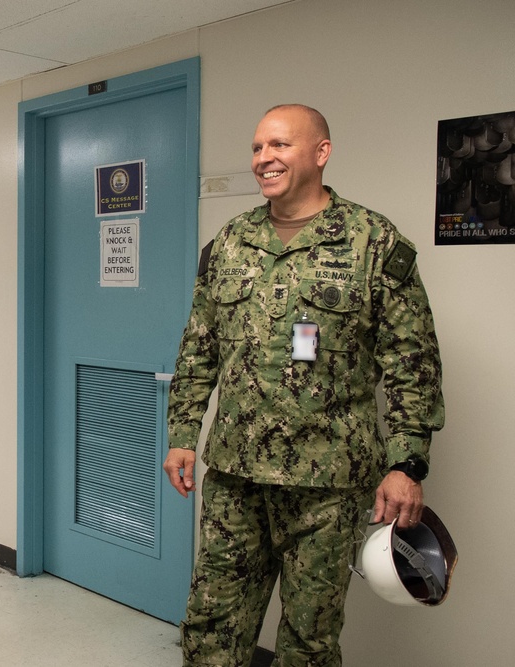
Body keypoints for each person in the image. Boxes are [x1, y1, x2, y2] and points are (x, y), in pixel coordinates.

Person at [162, 104, 444, 666]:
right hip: (236, 476)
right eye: (258, 147)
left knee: (308, 643)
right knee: (209, 627)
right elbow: (199, 346)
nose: (264, 158)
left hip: (327, 485)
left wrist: (407, 464)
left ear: (321, 152)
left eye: (280, 145)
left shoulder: (373, 243)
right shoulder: (229, 243)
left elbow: (412, 361)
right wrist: (183, 431)